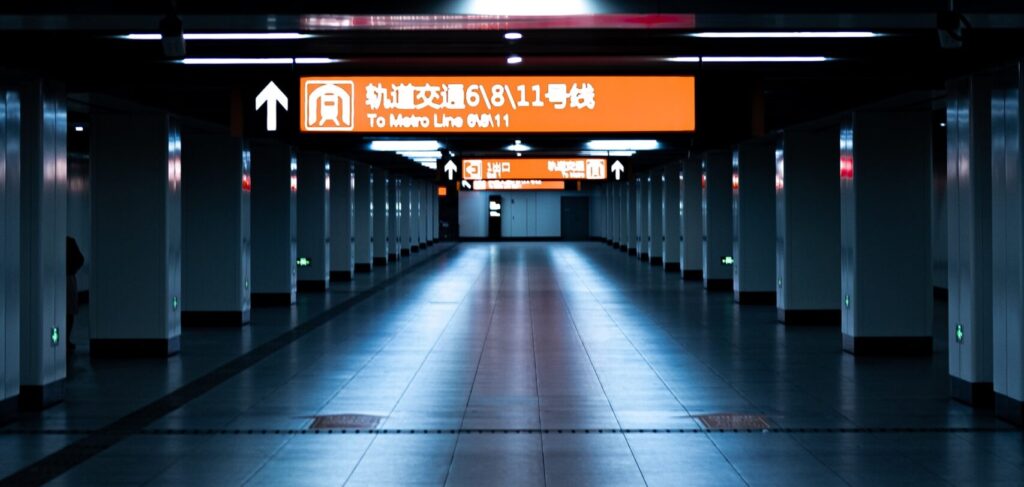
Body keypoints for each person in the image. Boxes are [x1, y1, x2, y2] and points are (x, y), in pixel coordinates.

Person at [66, 236, 84, 356]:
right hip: (68, 277)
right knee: (69, 312)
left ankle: (64, 340)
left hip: (65, 278)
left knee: (68, 312)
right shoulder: (69, 241)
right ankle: (66, 340)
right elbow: (80, 259)